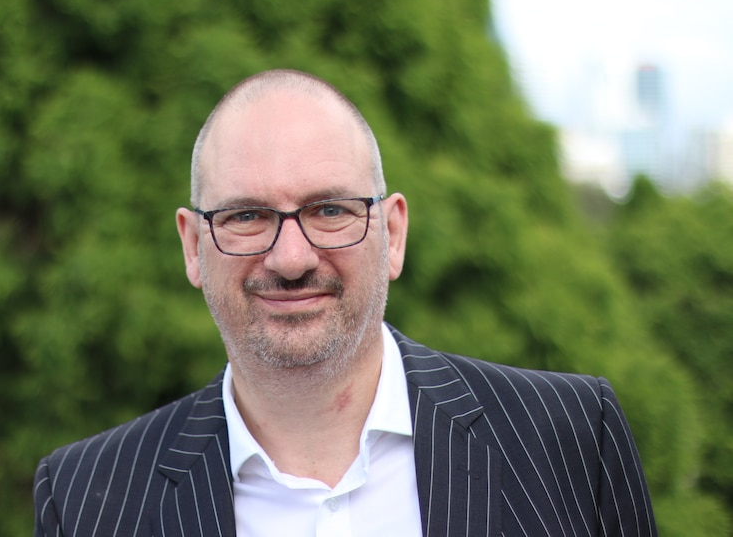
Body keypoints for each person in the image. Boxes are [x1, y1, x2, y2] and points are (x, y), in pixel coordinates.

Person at [33, 69, 657, 536]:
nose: (291, 258)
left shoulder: (571, 438)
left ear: (395, 234)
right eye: (246, 215)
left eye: (329, 209)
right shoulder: (88, 499)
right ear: (194, 247)